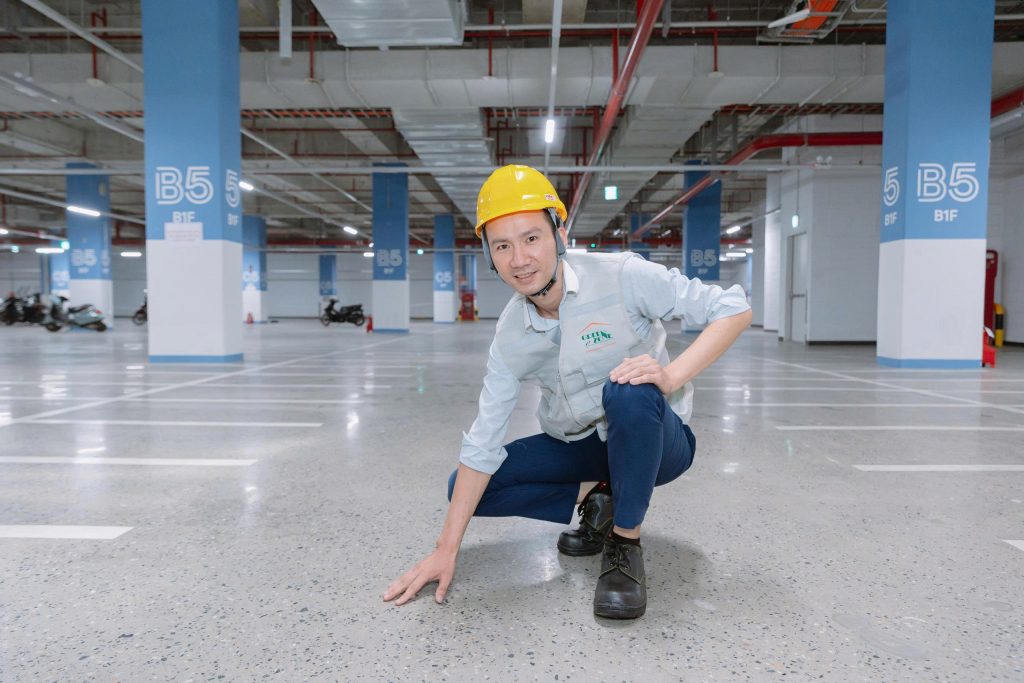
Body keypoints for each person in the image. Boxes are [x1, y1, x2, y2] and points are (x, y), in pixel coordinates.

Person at [384, 164, 751, 618]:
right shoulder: (511, 335)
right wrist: (445, 549)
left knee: (629, 388)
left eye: (531, 238)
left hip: (658, 439)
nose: (520, 259)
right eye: (502, 246)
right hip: (582, 446)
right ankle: (601, 493)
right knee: (465, 486)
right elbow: (483, 442)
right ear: (489, 255)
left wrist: (670, 376)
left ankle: (624, 545)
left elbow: (733, 308)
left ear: (559, 234)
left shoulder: (621, 276)